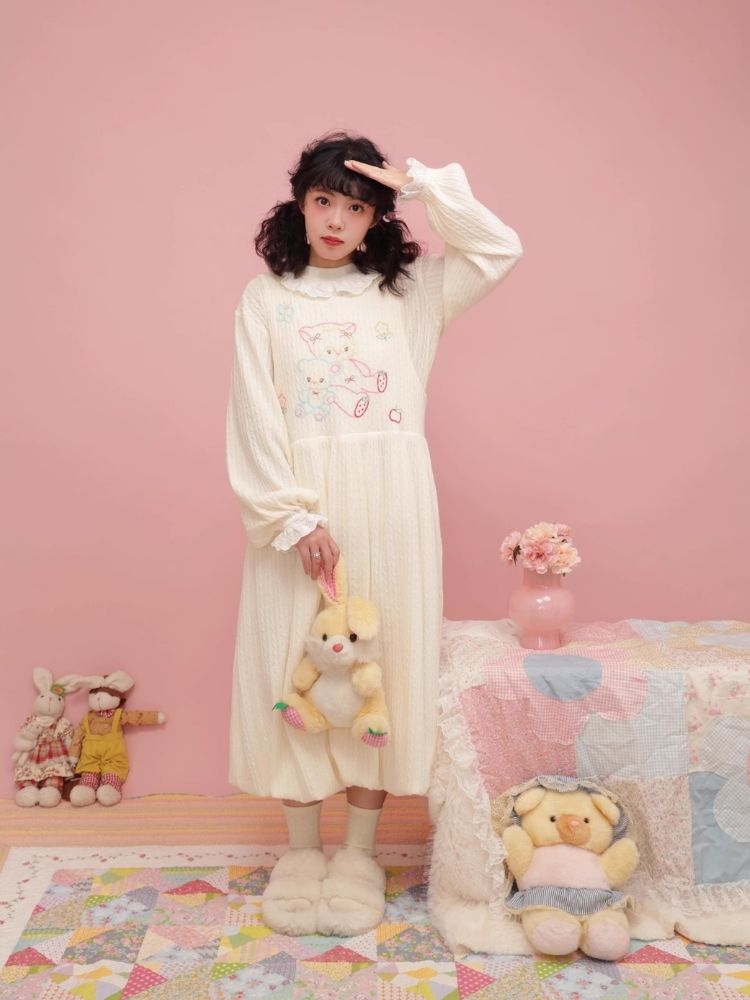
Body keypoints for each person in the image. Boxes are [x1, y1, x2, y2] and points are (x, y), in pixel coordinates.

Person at [226, 130, 523, 937]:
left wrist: (422, 183)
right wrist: (293, 517)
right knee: (290, 669)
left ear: (376, 219)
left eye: (356, 207)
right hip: (301, 505)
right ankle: (300, 855)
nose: (335, 221)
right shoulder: (267, 299)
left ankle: (357, 855)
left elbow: (500, 247)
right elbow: (253, 411)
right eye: (323, 200)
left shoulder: (411, 294)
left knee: (378, 677)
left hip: (393, 505)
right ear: (298, 204)